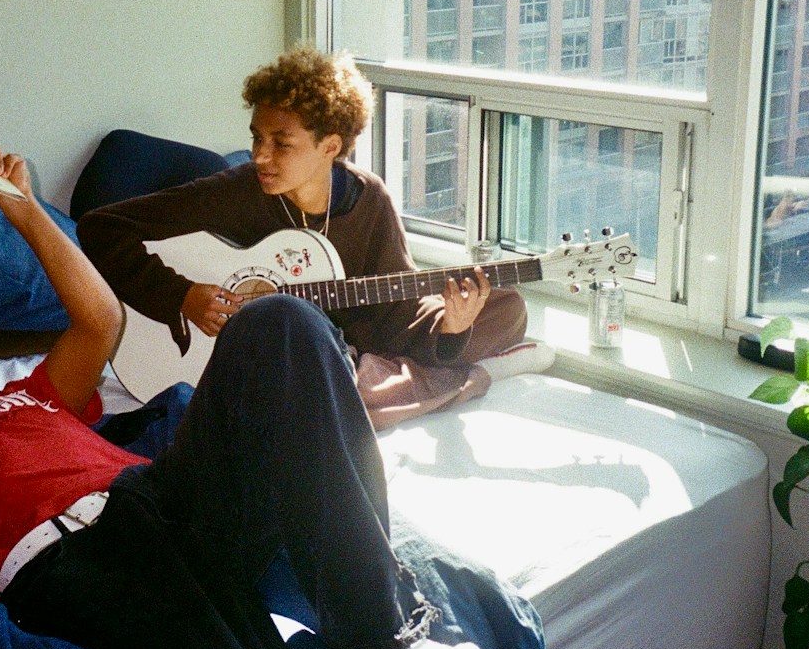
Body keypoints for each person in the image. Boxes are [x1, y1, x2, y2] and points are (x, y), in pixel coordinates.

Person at [0, 141, 484, 649]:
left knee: (281, 322)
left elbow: (99, 321)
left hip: (164, 500)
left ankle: (379, 632)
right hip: (71, 561)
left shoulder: (18, 398)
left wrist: (20, 207)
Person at [78, 49, 529, 429]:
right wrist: (182, 296)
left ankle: (414, 368)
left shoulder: (367, 199)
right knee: (327, 394)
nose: (260, 155)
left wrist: (452, 326)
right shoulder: (237, 190)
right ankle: (452, 376)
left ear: (330, 146)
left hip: (349, 341)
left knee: (507, 307)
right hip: (283, 356)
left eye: (281, 142)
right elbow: (101, 227)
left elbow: (396, 305)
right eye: (256, 138)